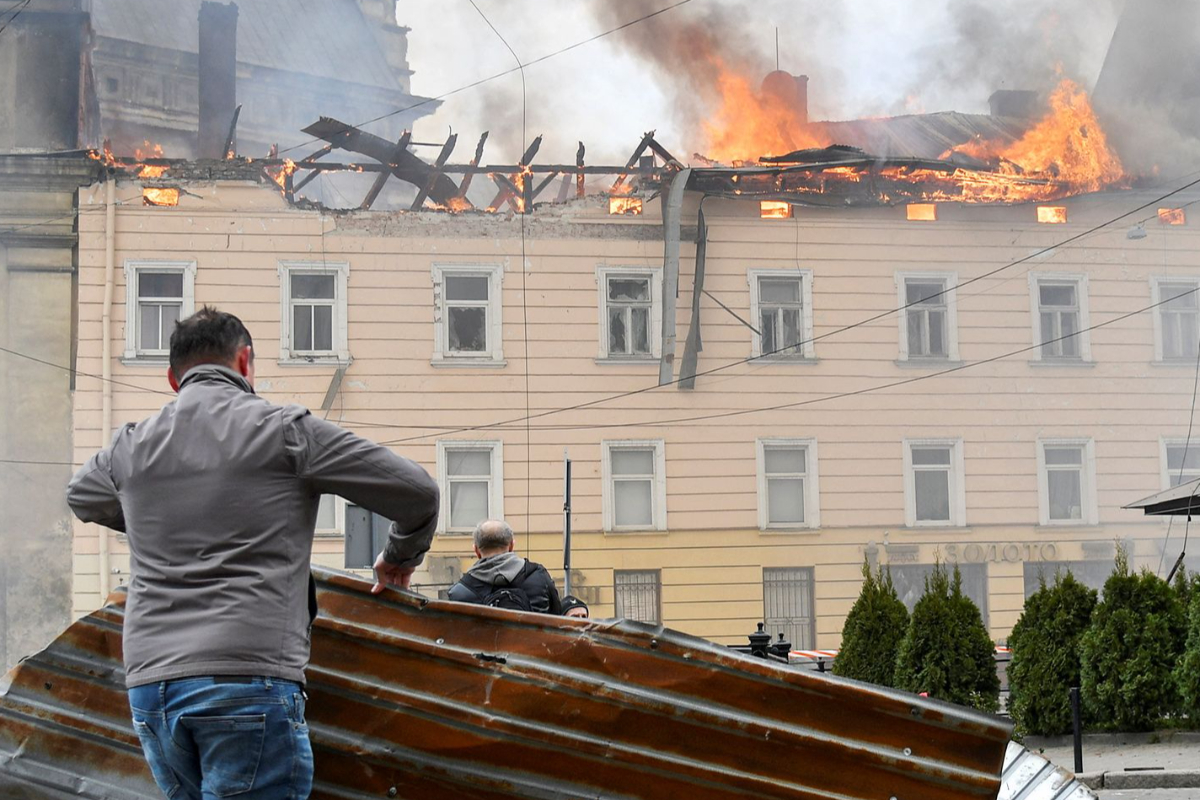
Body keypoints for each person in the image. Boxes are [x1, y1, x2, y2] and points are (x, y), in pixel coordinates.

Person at [66, 307, 439, 800]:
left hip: (152, 688)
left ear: (172, 378)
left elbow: (83, 495)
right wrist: (399, 557)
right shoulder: (285, 431)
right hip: (247, 678)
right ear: (245, 362)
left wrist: (159, 519)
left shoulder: (129, 445)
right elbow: (418, 493)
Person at [447, 519, 562, 613]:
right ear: (511, 545)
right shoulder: (538, 577)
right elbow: (557, 619)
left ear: (476, 550)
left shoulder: (460, 592)